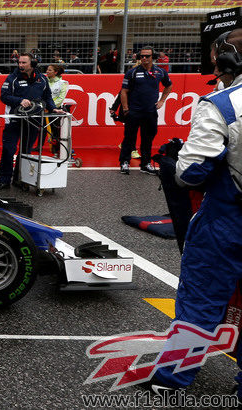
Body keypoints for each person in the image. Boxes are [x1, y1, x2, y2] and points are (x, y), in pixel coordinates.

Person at [150, 30, 242, 396]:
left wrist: (177, 160)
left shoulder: (223, 103)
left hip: (228, 218)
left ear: (228, 62)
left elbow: (190, 173)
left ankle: (172, 380)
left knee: (201, 300)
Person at [0, 53, 63, 191]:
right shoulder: (12, 78)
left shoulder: (42, 79)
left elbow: (47, 97)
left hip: (34, 120)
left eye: (24, 63)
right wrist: (19, 101)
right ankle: (4, 180)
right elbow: (4, 97)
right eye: (19, 62)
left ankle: (20, 179)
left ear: (33, 64)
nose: (20, 65)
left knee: (26, 151)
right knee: (8, 149)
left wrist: (54, 108)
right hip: (14, 119)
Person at [119, 46, 172, 175]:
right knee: (129, 138)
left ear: (152, 57)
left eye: (147, 56)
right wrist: (126, 109)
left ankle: (145, 164)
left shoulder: (160, 72)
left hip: (150, 112)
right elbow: (124, 92)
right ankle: (124, 162)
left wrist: (162, 101)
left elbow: (169, 85)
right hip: (134, 111)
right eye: (141, 56)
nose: (144, 58)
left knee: (147, 139)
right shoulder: (132, 72)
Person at [45, 64, 70, 156]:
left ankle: (58, 151)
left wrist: (51, 107)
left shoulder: (63, 83)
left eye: (50, 70)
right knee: (42, 130)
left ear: (55, 72)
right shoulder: (44, 81)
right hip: (43, 109)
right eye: (47, 69)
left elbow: (61, 98)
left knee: (56, 131)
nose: (47, 71)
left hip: (56, 110)